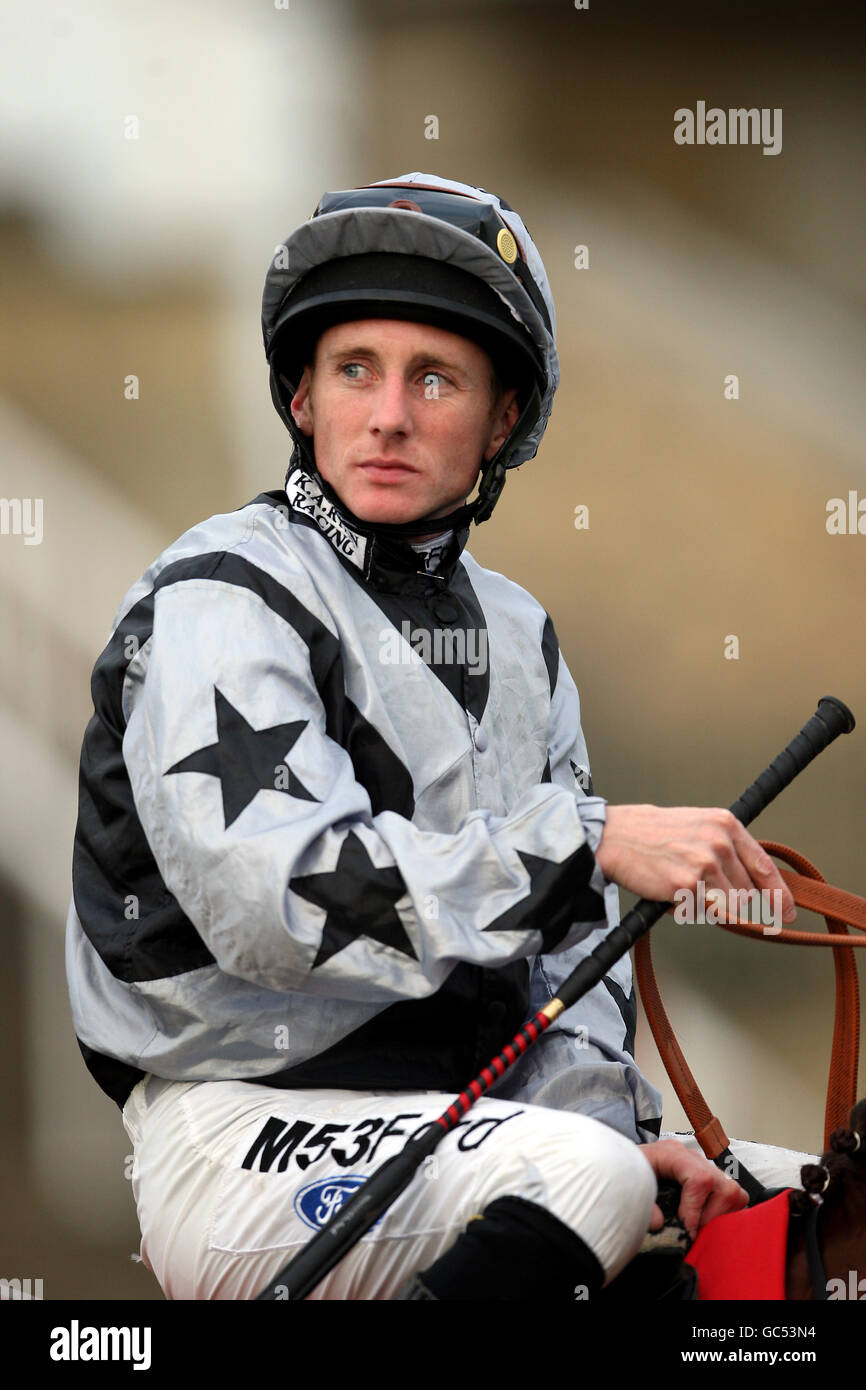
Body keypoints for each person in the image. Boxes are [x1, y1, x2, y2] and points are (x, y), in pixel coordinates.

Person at [66, 172, 808, 1301]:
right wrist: (583, 846)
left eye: (434, 379)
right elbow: (283, 905)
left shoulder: (519, 634)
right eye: (353, 370)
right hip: (238, 1127)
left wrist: (615, 1130)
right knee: (584, 1181)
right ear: (301, 397)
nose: (389, 415)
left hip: (470, 1126)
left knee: (796, 1205)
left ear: (502, 419)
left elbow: (564, 967)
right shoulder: (223, 593)